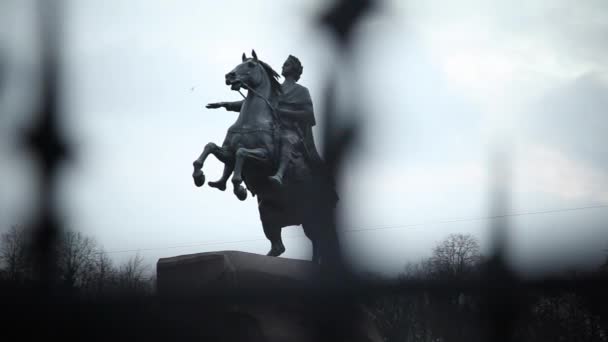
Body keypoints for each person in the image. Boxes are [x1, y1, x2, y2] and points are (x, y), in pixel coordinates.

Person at [206, 55, 319, 188]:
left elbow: (308, 114)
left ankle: (279, 174)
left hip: (289, 129)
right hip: (270, 126)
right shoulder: (275, 90)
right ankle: (225, 178)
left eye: (287, 64)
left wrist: (283, 112)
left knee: (287, 139)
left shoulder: (301, 91)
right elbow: (252, 103)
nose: (283, 66)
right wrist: (225, 104)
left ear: (294, 70)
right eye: (284, 64)